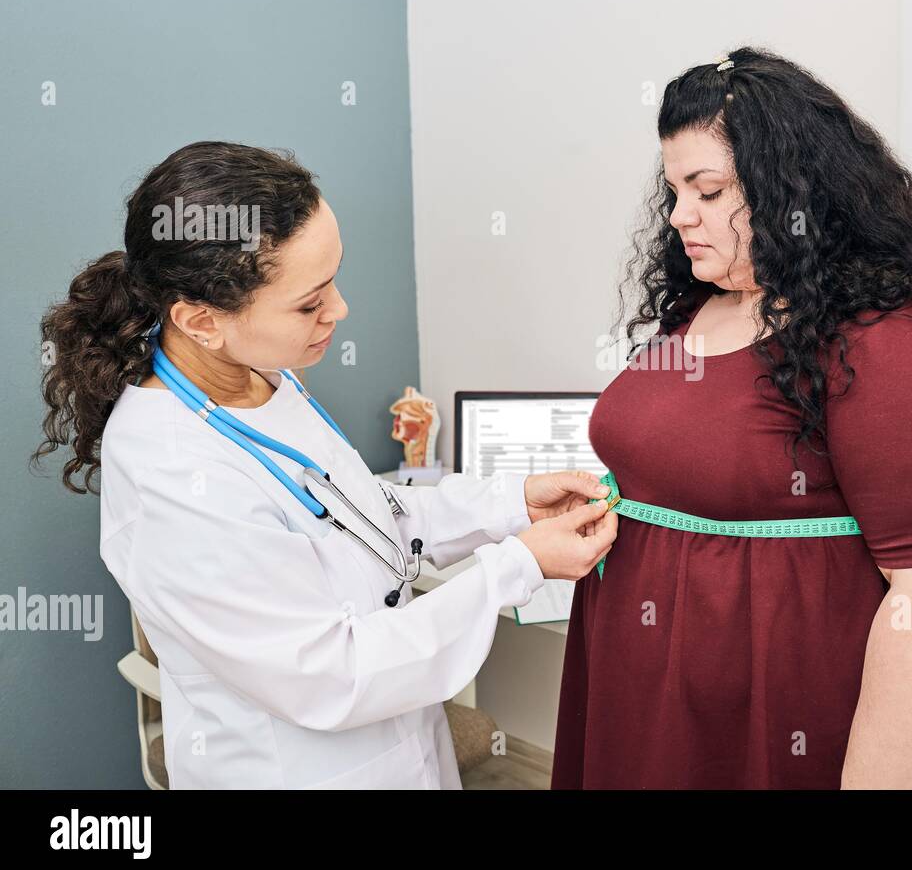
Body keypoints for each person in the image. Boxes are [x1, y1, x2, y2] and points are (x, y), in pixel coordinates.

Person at [32, 141, 617, 789]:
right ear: (201, 321)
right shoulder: (169, 475)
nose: (339, 311)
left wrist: (511, 507)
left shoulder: (265, 375)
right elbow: (332, 675)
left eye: (333, 280)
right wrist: (519, 565)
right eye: (309, 303)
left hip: (400, 749)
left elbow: (357, 515)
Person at [552, 48, 912, 789]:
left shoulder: (902, 337)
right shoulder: (705, 304)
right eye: (674, 188)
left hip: (796, 730)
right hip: (653, 709)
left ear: (792, 190)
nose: (681, 216)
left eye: (708, 190)